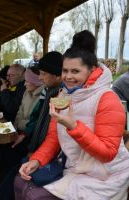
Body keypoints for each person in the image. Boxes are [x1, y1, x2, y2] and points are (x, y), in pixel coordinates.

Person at [15, 31, 129, 200]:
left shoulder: (107, 99)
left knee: (36, 196)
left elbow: (107, 153)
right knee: (20, 181)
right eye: (65, 71)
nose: (68, 77)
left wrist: (73, 126)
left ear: (91, 70)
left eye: (75, 71)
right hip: (76, 169)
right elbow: (53, 139)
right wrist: (37, 160)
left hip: (106, 176)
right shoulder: (63, 96)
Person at [0, 52, 63, 200]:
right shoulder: (48, 93)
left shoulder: (59, 96)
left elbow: (53, 133)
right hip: (36, 143)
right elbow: (35, 119)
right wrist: (24, 135)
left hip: (50, 154)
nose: (40, 78)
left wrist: (35, 152)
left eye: (43, 74)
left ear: (57, 75)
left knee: (16, 165)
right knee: (13, 161)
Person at [13, 68, 44, 132]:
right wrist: (15, 128)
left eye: (27, 81)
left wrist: (20, 124)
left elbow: (36, 123)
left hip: (31, 135)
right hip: (20, 131)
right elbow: (20, 112)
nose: (24, 84)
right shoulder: (27, 92)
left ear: (36, 82)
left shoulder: (44, 96)